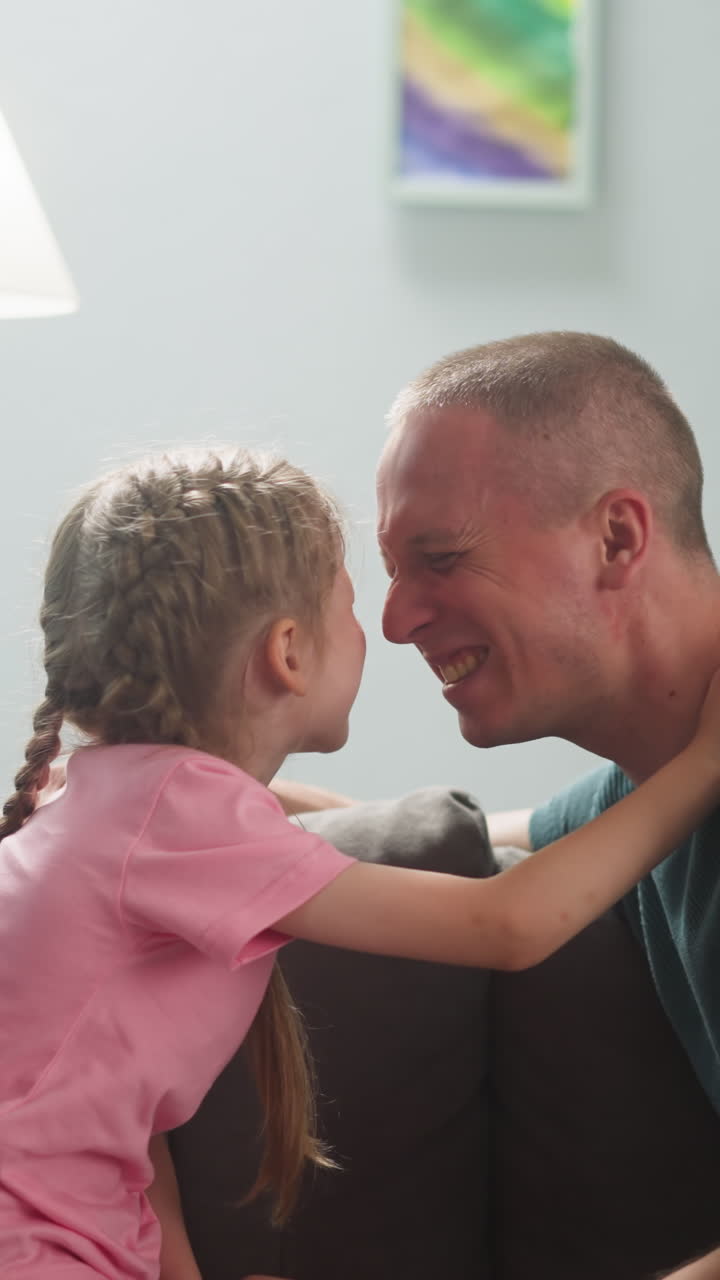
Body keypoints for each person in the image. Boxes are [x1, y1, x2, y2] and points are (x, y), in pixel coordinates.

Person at [2, 444, 720, 1280]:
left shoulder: (104, 802)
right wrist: (705, 761)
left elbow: (125, 1129)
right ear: (288, 653)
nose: (380, 627)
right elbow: (509, 925)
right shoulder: (175, 811)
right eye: (349, 602)